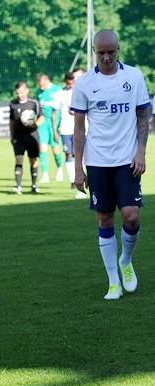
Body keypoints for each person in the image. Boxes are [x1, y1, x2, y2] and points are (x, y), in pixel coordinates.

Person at [72, 30, 150, 300]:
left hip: (127, 160)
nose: (106, 57)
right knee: (104, 217)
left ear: (118, 49)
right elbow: (79, 128)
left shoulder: (134, 77)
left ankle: (125, 260)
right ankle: (113, 282)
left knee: (131, 215)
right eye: (101, 53)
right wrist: (78, 168)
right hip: (97, 161)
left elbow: (143, 115)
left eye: (111, 52)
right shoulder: (84, 83)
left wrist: (141, 152)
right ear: (94, 51)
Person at [51, 71, 87, 199]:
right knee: (68, 154)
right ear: (66, 81)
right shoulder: (60, 94)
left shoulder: (82, 91)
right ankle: (73, 180)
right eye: (70, 82)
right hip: (65, 129)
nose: (72, 84)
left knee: (81, 155)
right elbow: (54, 112)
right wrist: (54, 130)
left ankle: (85, 181)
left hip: (81, 129)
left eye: (74, 82)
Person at [8, 81, 42, 194]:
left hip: (32, 137)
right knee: (18, 160)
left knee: (33, 161)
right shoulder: (13, 104)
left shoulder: (34, 103)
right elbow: (11, 121)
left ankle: (34, 185)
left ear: (27, 91)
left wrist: (34, 124)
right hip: (18, 138)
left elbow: (42, 117)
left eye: (22, 92)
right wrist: (11, 135)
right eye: (17, 93)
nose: (20, 95)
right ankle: (18, 186)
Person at [36, 73, 63, 183]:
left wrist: (59, 125)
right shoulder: (38, 93)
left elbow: (61, 108)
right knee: (42, 147)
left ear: (46, 80)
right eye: (39, 85)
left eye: (42, 84)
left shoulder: (57, 90)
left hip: (54, 123)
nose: (41, 87)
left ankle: (60, 168)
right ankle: (45, 174)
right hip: (43, 122)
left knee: (55, 149)